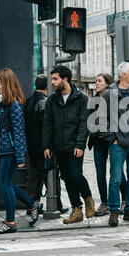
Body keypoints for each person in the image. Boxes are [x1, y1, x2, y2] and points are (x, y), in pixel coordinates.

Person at [0, 68, 39, 234]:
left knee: (4, 184)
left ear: (4, 83)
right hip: (3, 150)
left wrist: (20, 157)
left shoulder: (14, 105)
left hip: (10, 151)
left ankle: (10, 222)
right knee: (6, 183)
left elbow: (18, 132)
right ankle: (32, 204)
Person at [43, 65, 95, 225]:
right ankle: (76, 210)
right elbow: (48, 124)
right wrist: (46, 146)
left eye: (55, 79)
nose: (52, 82)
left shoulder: (81, 98)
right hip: (59, 146)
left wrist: (80, 144)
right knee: (66, 178)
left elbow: (84, 124)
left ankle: (88, 197)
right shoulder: (52, 100)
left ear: (65, 79)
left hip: (74, 146)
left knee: (76, 175)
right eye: (52, 79)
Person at [100, 62, 129, 227]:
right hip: (117, 144)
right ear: (124, 75)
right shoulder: (109, 94)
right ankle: (114, 210)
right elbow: (102, 119)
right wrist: (112, 138)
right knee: (115, 179)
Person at [24, 74, 67, 215]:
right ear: (47, 86)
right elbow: (49, 127)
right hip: (46, 147)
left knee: (34, 177)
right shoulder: (46, 103)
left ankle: (32, 206)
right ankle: (57, 205)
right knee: (52, 175)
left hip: (31, 146)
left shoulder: (27, 102)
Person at [87, 73, 127, 216]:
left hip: (112, 139)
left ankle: (125, 200)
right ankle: (104, 203)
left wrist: (115, 137)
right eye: (96, 81)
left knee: (117, 172)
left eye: (99, 81)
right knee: (100, 172)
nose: (96, 83)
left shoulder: (114, 99)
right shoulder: (94, 100)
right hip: (98, 140)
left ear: (107, 83)